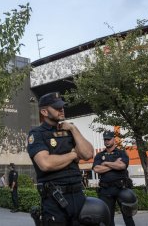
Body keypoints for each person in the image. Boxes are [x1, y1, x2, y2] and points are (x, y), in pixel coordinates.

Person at [27, 92, 110, 225]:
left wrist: (73, 128)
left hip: (78, 195)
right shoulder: (37, 134)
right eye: (57, 107)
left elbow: (88, 154)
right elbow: (46, 164)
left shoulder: (70, 131)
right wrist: (73, 155)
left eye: (62, 106)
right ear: (44, 111)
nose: (61, 109)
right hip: (55, 200)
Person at [93, 130, 137, 226]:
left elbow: (122, 166)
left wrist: (106, 163)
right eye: (105, 139)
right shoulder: (100, 155)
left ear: (114, 140)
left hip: (121, 189)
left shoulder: (121, 153)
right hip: (105, 190)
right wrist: (114, 164)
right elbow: (96, 169)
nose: (107, 141)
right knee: (107, 218)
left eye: (109, 139)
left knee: (128, 217)